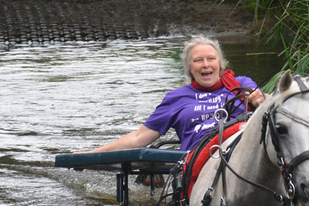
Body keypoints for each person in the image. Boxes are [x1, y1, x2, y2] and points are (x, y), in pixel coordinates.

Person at [83, 36, 266, 153]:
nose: (205, 65)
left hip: (242, 150)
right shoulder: (176, 98)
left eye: (211, 59)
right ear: (189, 68)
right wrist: (93, 153)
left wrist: (260, 99)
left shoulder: (241, 84)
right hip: (199, 156)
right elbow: (139, 137)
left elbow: (267, 102)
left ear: (220, 64)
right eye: (198, 60)